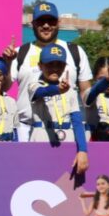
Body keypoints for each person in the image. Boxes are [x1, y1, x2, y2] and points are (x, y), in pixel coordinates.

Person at [5, 0, 92, 141]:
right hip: (27, 128)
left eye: (51, 21)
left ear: (58, 23)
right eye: (41, 21)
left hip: (67, 129)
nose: (46, 25)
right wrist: (8, 62)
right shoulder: (20, 52)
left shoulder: (75, 51)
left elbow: (86, 92)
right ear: (33, 24)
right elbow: (4, 87)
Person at [25, 44, 89, 173]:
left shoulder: (70, 90)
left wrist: (82, 150)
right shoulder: (34, 85)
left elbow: (77, 121)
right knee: (40, 175)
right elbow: (42, 92)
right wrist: (58, 89)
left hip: (67, 137)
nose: (55, 68)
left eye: (59, 65)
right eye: (50, 64)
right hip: (42, 135)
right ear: (40, 65)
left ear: (64, 66)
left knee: (64, 178)